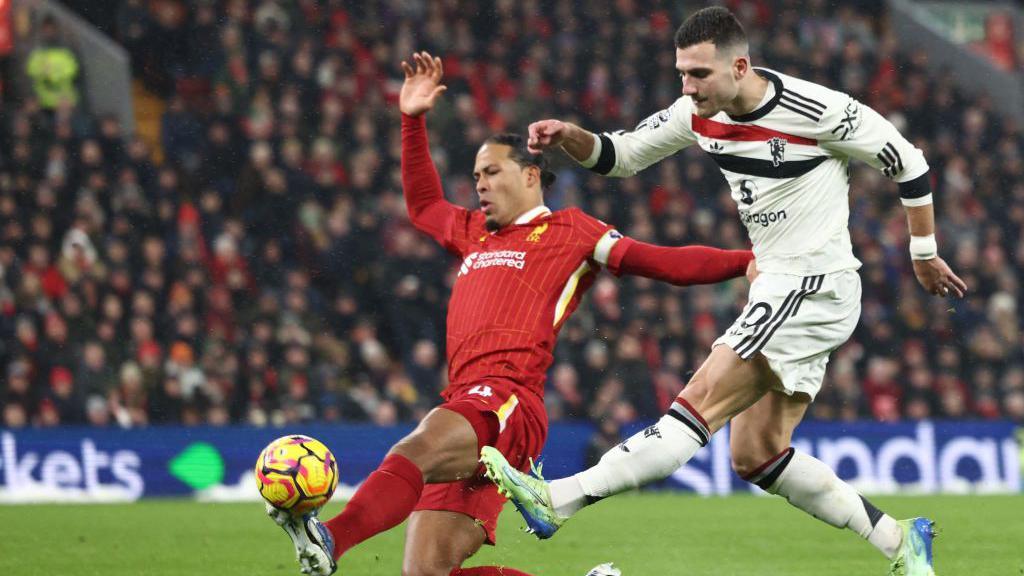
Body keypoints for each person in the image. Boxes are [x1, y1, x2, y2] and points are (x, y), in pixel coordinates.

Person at [481, 8, 966, 576]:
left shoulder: (816, 110)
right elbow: (622, 155)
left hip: (809, 284)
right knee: (754, 454)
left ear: (740, 66)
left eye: (700, 75)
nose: (688, 87)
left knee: (698, 401)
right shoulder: (696, 112)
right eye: (683, 74)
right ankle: (901, 540)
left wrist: (923, 253)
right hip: (790, 287)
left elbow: (908, 162)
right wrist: (570, 137)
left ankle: (559, 499)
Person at [266, 51, 755, 576]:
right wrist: (412, 120)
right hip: (468, 401)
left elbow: (660, 262)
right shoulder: (475, 232)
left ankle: (330, 539)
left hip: (507, 400)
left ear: (530, 175)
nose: (478, 184)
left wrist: (747, 261)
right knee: (426, 574)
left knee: (417, 447)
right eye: (475, 174)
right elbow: (425, 207)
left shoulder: (571, 230)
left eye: (491, 171)